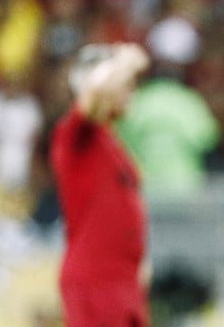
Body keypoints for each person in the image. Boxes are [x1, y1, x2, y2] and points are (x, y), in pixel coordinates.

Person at [51, 42, 151, 326]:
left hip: (123, 283)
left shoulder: (109, 143)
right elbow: (93, 95)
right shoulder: (74, 137)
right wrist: (125, 61)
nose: (131, 90)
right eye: (125, 83)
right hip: (97, 283)